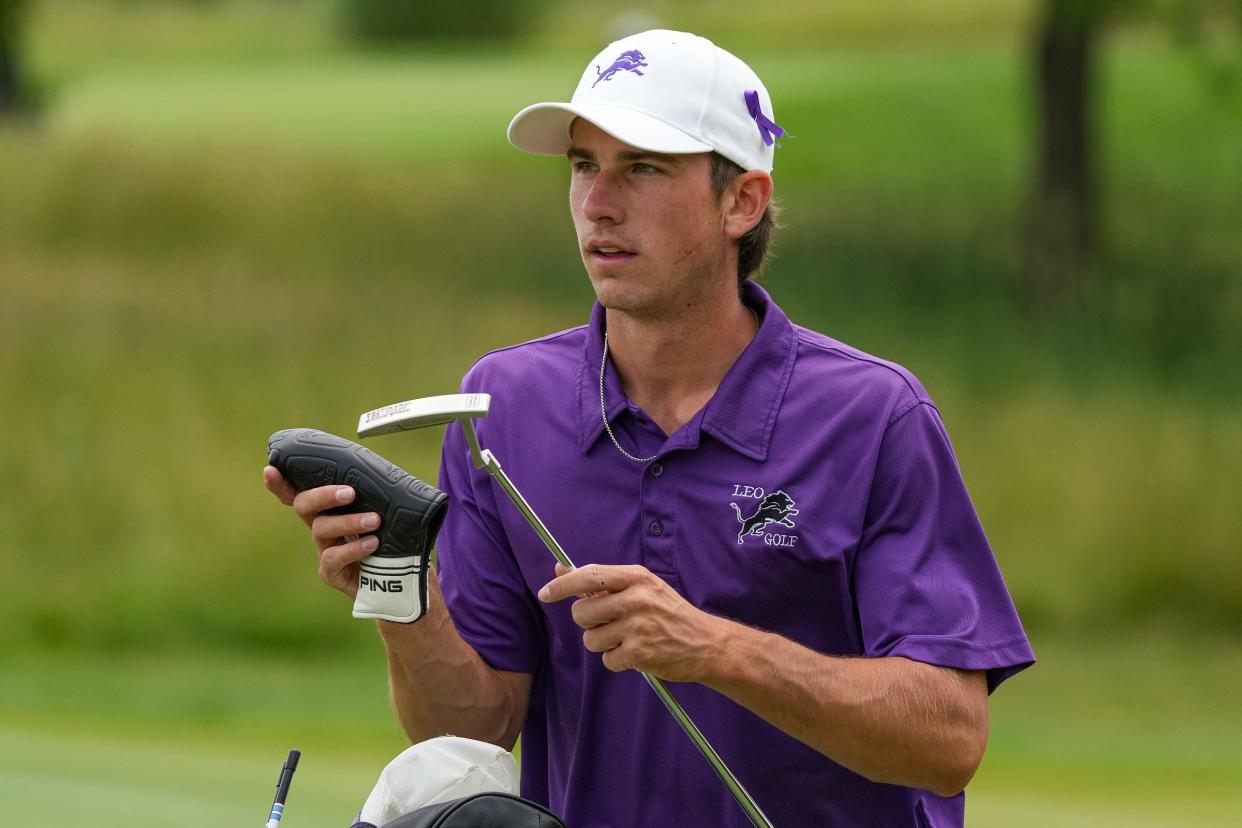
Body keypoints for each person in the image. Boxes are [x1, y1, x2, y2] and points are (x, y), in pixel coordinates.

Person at [264, 29, 1035, 827]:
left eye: (643, 168)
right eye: (583, 165)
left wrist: (714, 649)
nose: (599, 202)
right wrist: (404, 593)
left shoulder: (874, 416)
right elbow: (472, 734)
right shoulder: (500, 405)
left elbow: (948, 737)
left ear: (743, 201)